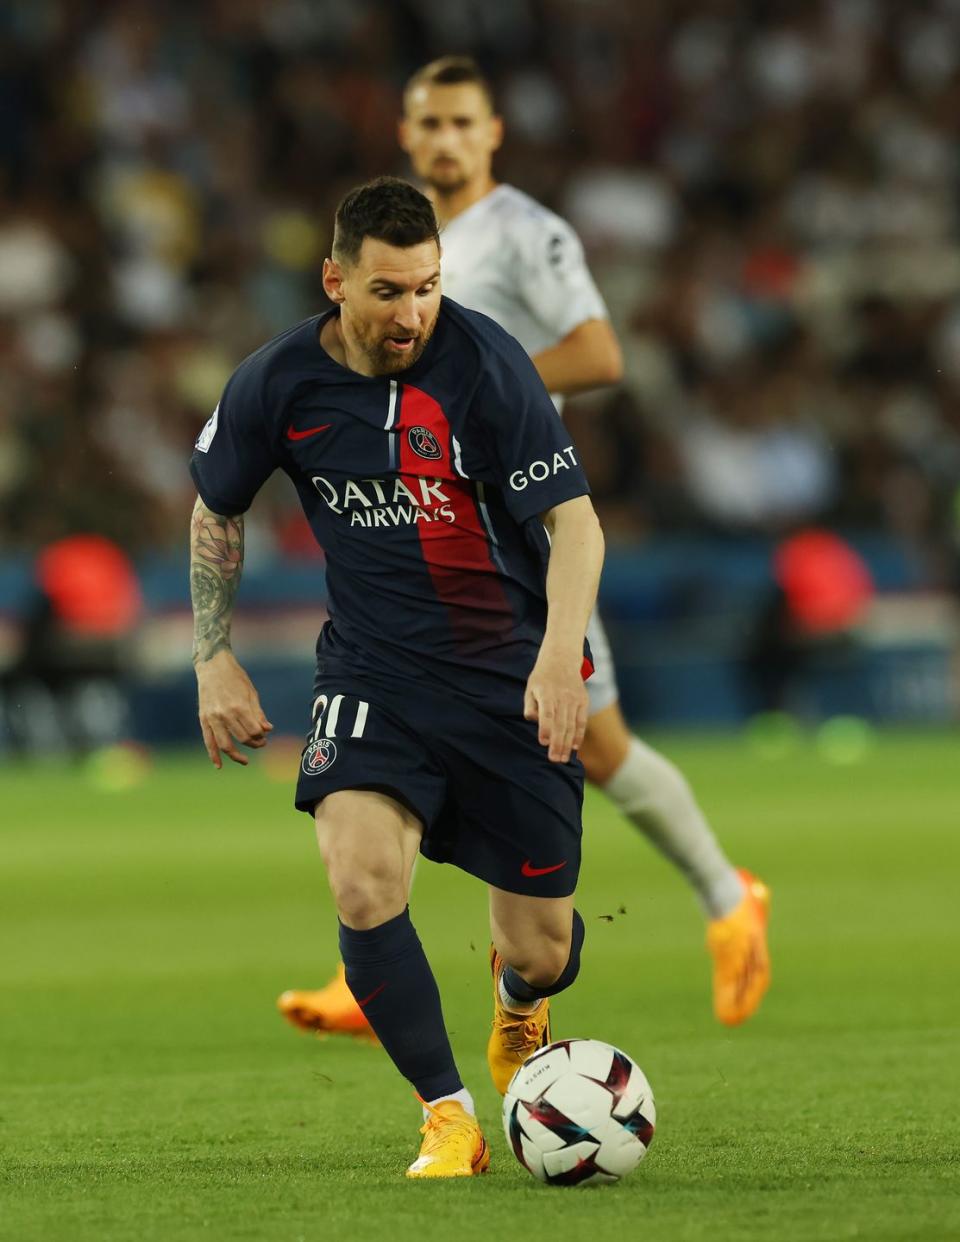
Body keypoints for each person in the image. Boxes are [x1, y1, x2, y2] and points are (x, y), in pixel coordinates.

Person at [279, 56, 770, 1039]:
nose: (445, 140)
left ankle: (729, 897)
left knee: (589, 736)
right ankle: (371, 951)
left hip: (523, 517)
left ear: (492, 131)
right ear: (407, 134)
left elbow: (601, 352)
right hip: (429, 516)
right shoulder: (403, 243)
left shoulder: (529, 232)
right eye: (429, 123)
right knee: (401, 705)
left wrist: (476, 388)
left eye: (463, 122)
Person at [190, 177, 605, 1177]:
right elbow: (218, 506)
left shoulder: (486, 366)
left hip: (508, 676)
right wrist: (212, 655)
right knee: (363, 881)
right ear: (335, 280)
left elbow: (575, 523)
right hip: (373, 673)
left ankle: (519, 1007)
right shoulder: (277, 383)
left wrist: (559, 656)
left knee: (541, 945)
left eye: (425, 287)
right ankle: (449, 1116)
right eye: (387, 291)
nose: (411, 311)